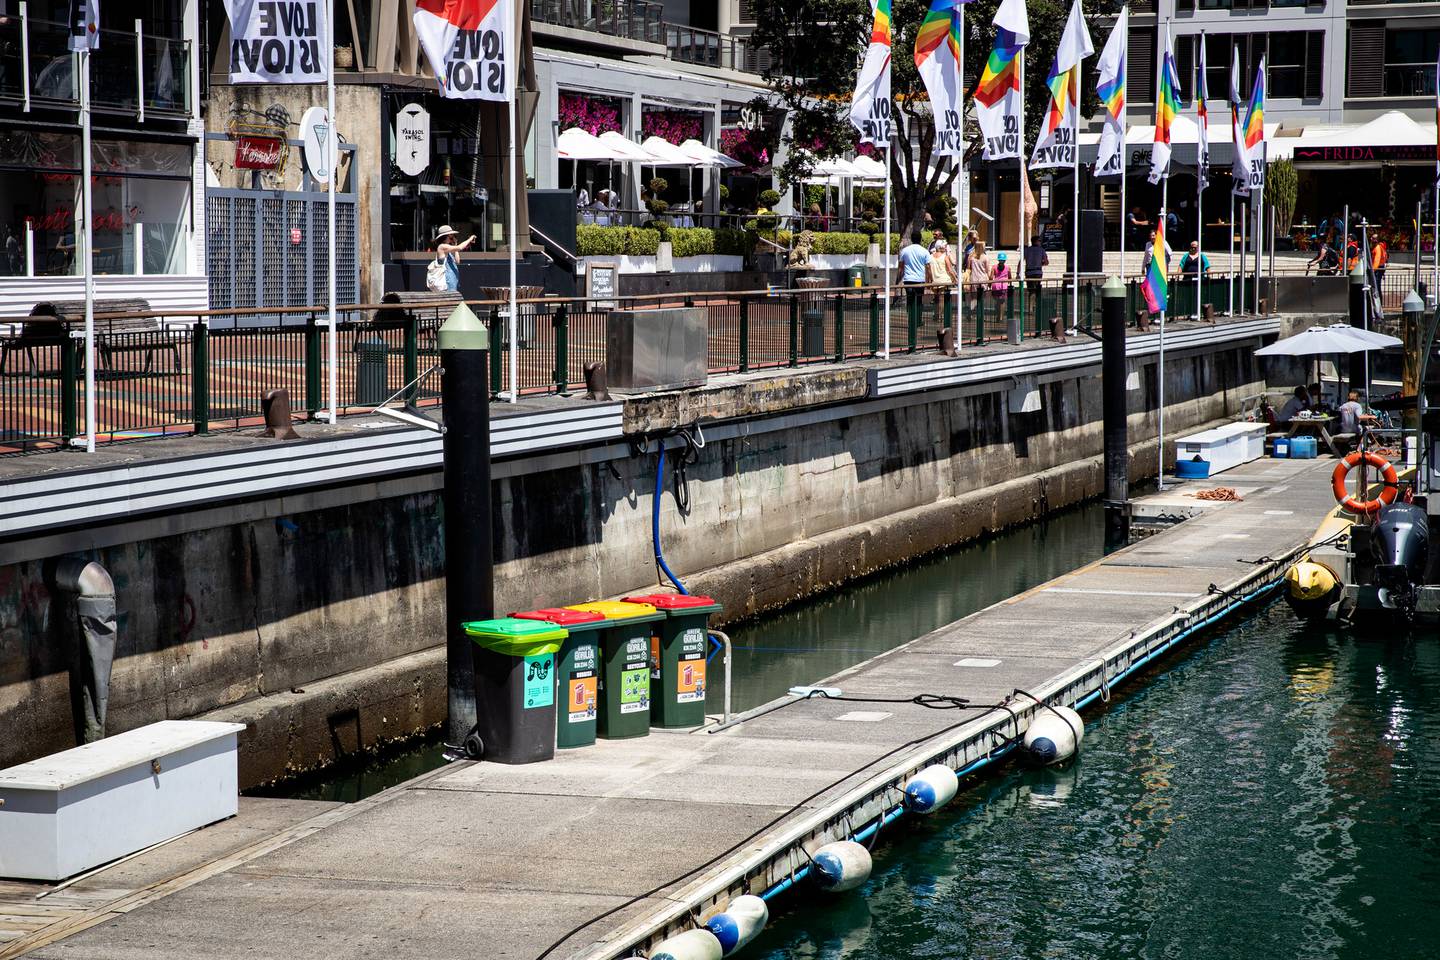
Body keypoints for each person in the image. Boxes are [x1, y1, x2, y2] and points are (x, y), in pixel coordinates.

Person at [431, 224, 476, 292]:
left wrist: (455, 245)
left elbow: (457, 261)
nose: (452, 237)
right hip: (447, 281)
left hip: (453, 280)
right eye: (451, 236)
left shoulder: (448, 249)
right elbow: (460, 247)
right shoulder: (442, 247)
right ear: (445, 237)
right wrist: (469, 239)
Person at [898, 235, 931, 323]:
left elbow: (900, 267)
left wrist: (898, 280)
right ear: (921, 240)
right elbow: (928, 267)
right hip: (920, 280)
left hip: (908, 279)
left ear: (912, 239)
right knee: (919, 300)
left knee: (910, 299)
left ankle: (911, 320)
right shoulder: (924, 251)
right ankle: (918, 320)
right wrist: (930, 279)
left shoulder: (905, 250)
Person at [1023, 235, 1048, 331]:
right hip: (1037, 272)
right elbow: (1046, 262)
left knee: (1031, 291)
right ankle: (1036, 307)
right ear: (1036, 241)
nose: (1040, 242)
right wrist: (1040, 263)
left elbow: (1021, 261)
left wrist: (1018, 273)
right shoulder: (1041, 250)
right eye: (1039, 240)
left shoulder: (1027, 250)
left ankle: (1030, 308)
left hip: (1029, 272)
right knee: (1037, 291)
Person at [926, 237, 956, 312]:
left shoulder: (930, 257)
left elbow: (927, 270)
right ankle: (940, 316)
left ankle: (936, 314)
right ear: (940, 247)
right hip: (944, 281)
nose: (945, 248)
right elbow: (950, 270)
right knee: (942, 299)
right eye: (944, 246)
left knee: (936, 299)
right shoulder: (945, 257)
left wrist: (928, 281)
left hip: (934, 281)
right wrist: (955, 279)